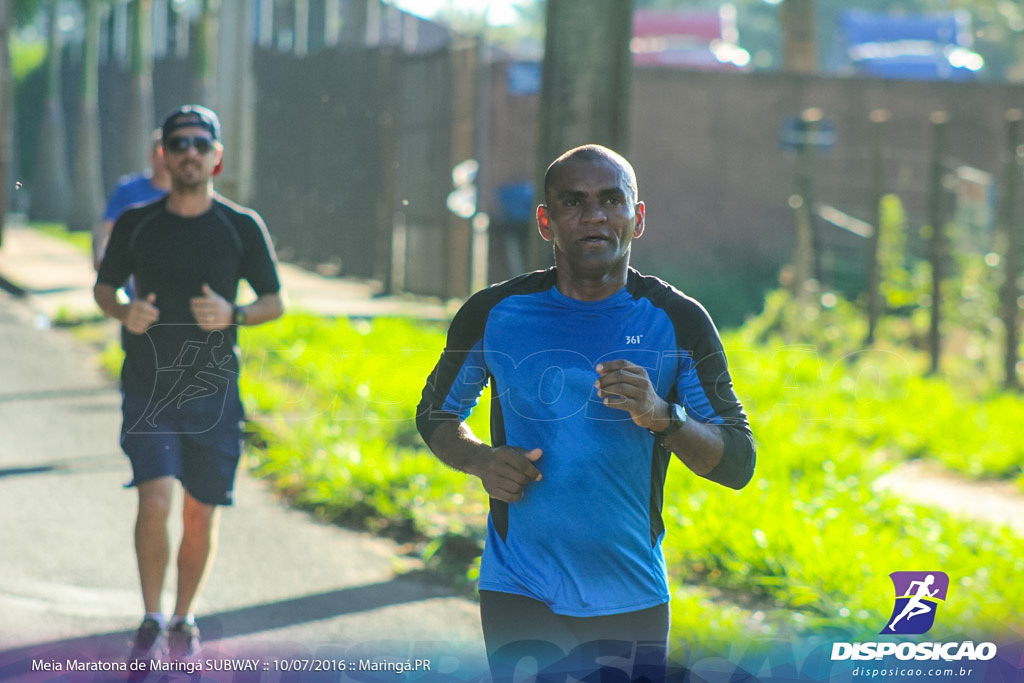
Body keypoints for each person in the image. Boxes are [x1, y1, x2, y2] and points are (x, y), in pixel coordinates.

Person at [416, 144, 756, 680]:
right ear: (546, 222)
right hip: (518, 585)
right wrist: (481, 460)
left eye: (611, 200)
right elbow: (435, 413)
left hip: (630, 592)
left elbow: (738, 461)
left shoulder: (678, 321)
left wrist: (662, 415)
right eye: (573, 202)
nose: (594, 215)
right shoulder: (493, 313)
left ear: (637, 218)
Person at [94, 105, 285, 663]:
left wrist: (234, 314)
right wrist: (123, 311)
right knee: (154, 499)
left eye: (201, 143)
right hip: (149, 387)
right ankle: (152, 617)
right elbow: (104, 290)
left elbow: (275, 301)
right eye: (180, 143)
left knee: (200, 510)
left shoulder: (240, 224)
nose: (190, 152)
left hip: (213, 391)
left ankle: (184, 616)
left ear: (217, 157)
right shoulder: (137, 222)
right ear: (164, 155)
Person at [92, 129, 171, 271]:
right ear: (151, 156)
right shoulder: (128, 189)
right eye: (161, 152)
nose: (166, 158)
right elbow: (105, 227)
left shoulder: (186, 196)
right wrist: (100, 255)